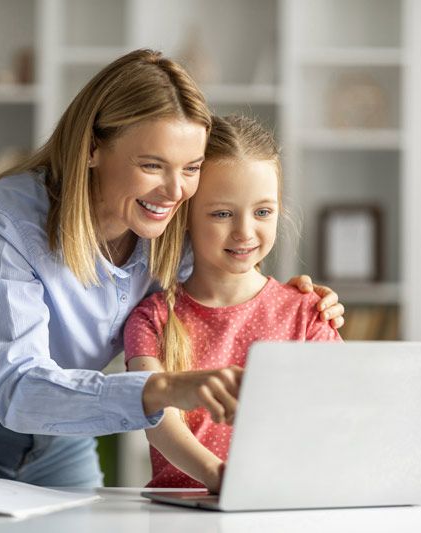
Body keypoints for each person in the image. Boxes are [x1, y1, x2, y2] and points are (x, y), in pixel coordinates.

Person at [0, 49, 345, 487]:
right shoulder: (4, 228)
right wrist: (163, 389)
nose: (175, 190)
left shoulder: (169, 218)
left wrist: (296, 298)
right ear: (92, 149)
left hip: (64, 428)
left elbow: (231, 265)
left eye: (191, 167)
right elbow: (20, 390)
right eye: (152, 165)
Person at [124, 115, 343, 492]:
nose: (244, 231)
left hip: (281, 503)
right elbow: (157, 420)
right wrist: (220, 477)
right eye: (222, 213)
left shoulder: (308, 312)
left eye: (262, 212)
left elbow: (335, 412)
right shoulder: (152, 319)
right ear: (187, 216)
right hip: (180, 509)